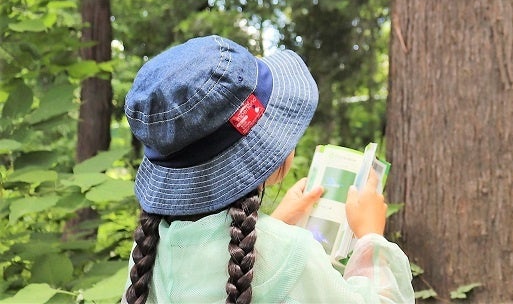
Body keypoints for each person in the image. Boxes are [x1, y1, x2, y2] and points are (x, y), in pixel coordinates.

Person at [122, 34, 415, 304]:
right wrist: (371, 238)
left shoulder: (145, 261)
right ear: (271, 161)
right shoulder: (295, 257)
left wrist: (277, 223)